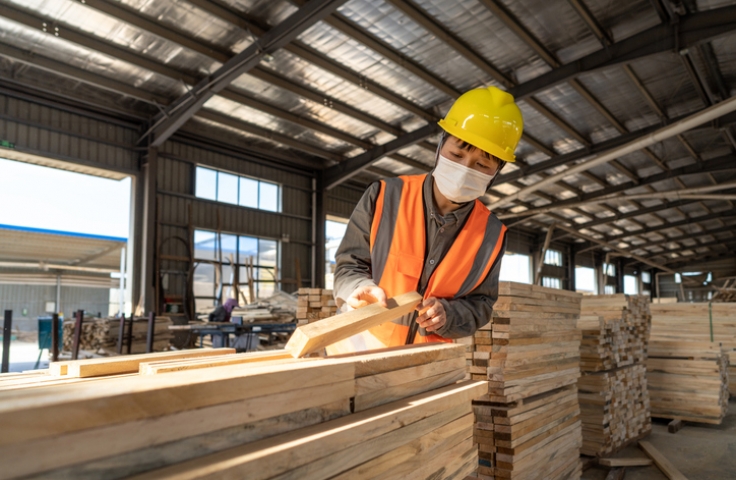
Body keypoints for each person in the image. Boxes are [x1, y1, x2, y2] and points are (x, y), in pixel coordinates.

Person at [330, 86, 523, 353]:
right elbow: (348, 265)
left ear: (497, 172)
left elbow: (481, 305)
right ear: (440, 145)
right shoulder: (384, 197)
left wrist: (450, 315)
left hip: (425, 363)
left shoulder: (492, 234)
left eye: (482, 165)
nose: (465, 169)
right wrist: (358, 286)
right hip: (361, 345)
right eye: (457, 155)